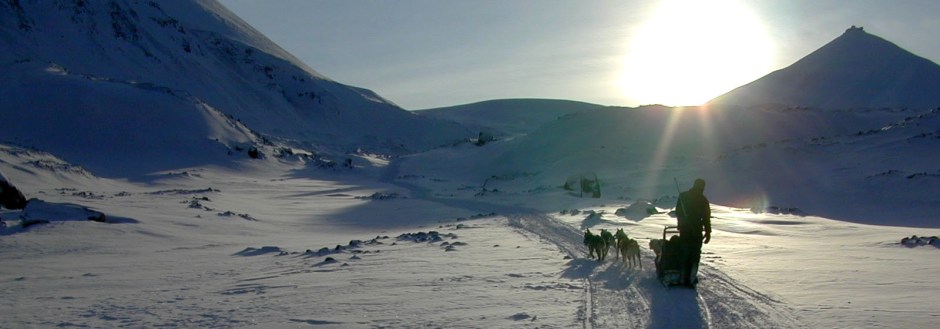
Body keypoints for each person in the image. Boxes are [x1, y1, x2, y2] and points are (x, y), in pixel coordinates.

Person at [675, 178, 711, 286]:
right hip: (690, 231)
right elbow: (679, 212)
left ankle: (687, 277)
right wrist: (707, 232)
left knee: (690, 254)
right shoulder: (700, 199)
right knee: (692, 254)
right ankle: (688, 277)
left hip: (691, 231)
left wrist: (708, 232)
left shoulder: (685, 196)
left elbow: (706, 218)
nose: (701, 189)